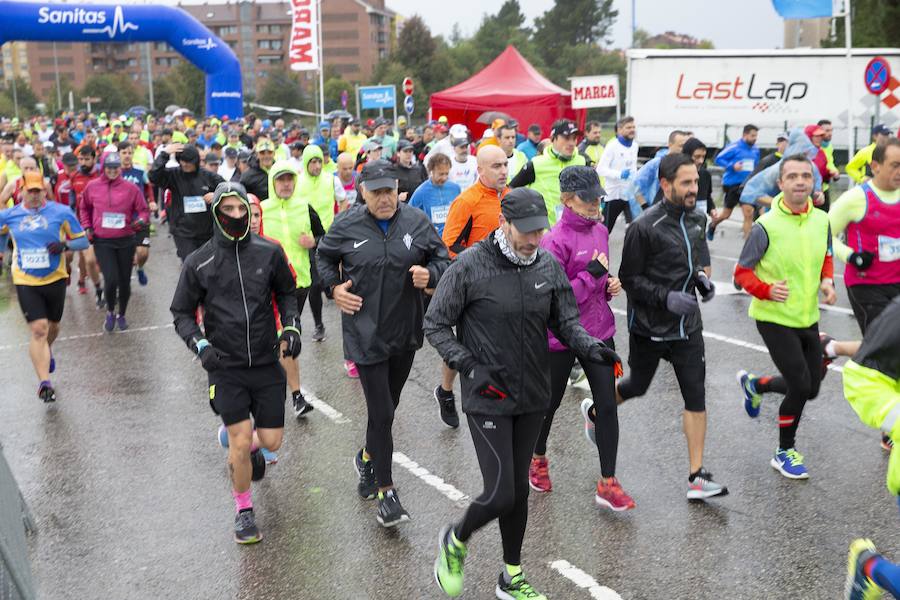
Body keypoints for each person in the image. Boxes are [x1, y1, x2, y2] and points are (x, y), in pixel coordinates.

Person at [425, 187, 621, 600]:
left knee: (516, 494)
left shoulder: (546, 267)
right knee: (501, 492)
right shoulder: (469, 268)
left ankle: (511, 575)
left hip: (532, 392)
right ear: (503, 224)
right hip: (487, 393)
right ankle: (455, 540)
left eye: (539, 231)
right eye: (526, 232)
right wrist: (470, 366)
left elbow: (566, 323)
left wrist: (592, 348)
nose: (534, 240)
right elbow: (436, 325)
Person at [316, 159, 449, 527]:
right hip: (365, 331)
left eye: (389, 191)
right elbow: (323, 258)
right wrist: (334, 287)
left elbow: (442, 257)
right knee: (383, 413)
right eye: (376, 192)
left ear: (397, 189)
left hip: (405, 331)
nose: (385, 198)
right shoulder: (346, 224)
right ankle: (387, 493)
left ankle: (366, 458)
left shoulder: (416, 222)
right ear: (363, 193)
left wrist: (431, 272)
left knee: (388, 407)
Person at [170, 182, 301, 544]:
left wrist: (291, 327)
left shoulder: (269, 252)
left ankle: (240, 441)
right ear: (217, 214)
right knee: (241, 443)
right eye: (228, 210)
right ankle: (244, 510)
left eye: (241, 209)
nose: (236, 216)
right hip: (224, 365)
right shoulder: (200, 261)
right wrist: (200, 345)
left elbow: (287, 293)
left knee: (272, 441)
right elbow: (181, 312)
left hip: (265, 362)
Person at [618, 153, 726, 500]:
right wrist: (665, 298)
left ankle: (696, 476)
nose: (694, 188)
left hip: (688, 328)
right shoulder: (643, 227)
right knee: (636, 386)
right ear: (665, 185)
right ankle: (595, 409)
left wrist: (701, 282)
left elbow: (696, 263)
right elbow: (629, 280)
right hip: (649, 327)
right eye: (686, 183)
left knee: (696, 396)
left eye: (695, 181)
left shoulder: (697, 220)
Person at [531, 165, 634, 509]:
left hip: (600, 333)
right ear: (566, 200)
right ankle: (537, 457)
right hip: (561, 337)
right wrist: (592, 277)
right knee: (550, 403)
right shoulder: (553, 241)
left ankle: (608, 482)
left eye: (597, 198)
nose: (595, 205)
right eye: (587, 199)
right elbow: (554, 299)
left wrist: (609, 285)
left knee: (608, 403)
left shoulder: (601, 231)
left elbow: (600, 277)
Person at [733, 154, 836, 479]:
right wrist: (765, 289)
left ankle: (755, 384)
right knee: (800, 385)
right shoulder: (766, 226)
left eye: (806, 176)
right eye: (792, 176)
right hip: (773, 318)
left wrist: (827, 282)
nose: (800, 181)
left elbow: (827, 256)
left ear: (813, 182)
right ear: (781, 183)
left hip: (807, 317)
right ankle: (784, 451)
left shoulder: (822, 220)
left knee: (812, 388)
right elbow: (741, 274)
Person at [829, 137, 900, 449]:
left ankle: (831, 347)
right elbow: (825, 234)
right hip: (865, 284)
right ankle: (890, 427)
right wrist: (850, 256)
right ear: (875, 166)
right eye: (895, 165)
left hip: (897, 284)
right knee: (887, 352)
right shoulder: (856, 199)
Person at [436, 146, 510, 427]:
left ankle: (499, 393)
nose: (503, 171)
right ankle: (445, 391)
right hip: (474, 282)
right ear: (479, 170)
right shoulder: (466, 201)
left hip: (507, 280)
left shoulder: (510, 196)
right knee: (466, 343)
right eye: (496, 166)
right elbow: (449, 245)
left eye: (505, 165)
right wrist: (478, 265)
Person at [0, 171, 89, 403]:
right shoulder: (10, 216)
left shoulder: (61, 212)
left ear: (44, 190)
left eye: (38, 191)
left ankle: (46, 350)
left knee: (53, 327)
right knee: (38, 329)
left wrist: (64, 245)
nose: (35, 195)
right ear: (21, 191)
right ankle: (44, 383)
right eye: (30, 191)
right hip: (25, 279)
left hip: (55, 277)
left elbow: (83, 240)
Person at [261, 159, 325, 417]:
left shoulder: (304, 207)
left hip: (299, 285)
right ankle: (290, 393)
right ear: (273, 182)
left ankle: (295, 396)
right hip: (267, 287)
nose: (286, 184)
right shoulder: (261, 210)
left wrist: (314, 241)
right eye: (281, 180)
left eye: (289, 180)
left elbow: (325, 237)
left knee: (288, 338)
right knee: (276, 340)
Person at [80, 152, 150, 332]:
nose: (112, 171)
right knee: (111, 280)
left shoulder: (131, 188)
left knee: (124, 282)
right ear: (103, 168)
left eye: (115, 167)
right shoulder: (92, 186)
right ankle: (110, 311)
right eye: (109, 168)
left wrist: (140, 221)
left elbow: (143, 210)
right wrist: (87, 226)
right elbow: (84, 208)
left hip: (126, 240)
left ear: (120, 168)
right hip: (103, 241)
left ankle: (122, 314)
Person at [149, 143, 224, 261]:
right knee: (191, 263)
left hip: (206, 231)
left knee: (207, 267)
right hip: (183, 232)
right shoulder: (173, 175)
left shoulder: (208, 176)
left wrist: (217, 194)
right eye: (182, 160)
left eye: (188, 161)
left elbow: (229, 190)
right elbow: (153, 176)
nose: (185, 164)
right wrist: (164, 154)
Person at [294, 144, 335, 342]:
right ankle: (319, 325)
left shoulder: (330, 179)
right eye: (313, 162)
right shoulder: (298, 182)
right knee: (315, 283)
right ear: (306, 163)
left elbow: (340, 201)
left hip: (330, 236)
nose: (317, 166)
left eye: (319, 161)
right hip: (310, 240)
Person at [510, 119, 586, 226]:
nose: (571, 143)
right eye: (566, 138)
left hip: (575, 228)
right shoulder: (536, 164)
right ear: (553, 138)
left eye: (574, 139)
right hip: (546, 232)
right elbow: (511, 189)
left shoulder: (582, 161)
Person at [708, 124, 761, 240]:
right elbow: (718, 159)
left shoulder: (756, 150)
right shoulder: (734, 147)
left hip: (747, 185)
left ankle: (748, 244)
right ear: (745, 135)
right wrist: (732, 165)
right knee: (726, 215)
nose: (755, 138)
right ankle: (713, 225)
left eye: (756, 136)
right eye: (752, 136)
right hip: (733, 184)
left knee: (749, 213)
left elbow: (756, 166)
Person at [118, 141, 156, 287]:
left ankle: (140, 268)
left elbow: (148, 187)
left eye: (129, 153)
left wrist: (151, 201)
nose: (127, 156)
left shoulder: (140, 171)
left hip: (140, 215)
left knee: (143, 253)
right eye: (124, 153)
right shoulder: (114, 172)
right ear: (119, 154)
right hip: (122, 218)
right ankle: (122, 282)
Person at [597, 116, 639, 232]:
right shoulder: (612, 146)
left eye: (633, 127)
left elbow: (633, 167)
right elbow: (600, 169)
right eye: (628, 127)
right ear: (620, 130)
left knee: (634, 227)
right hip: (613, 195)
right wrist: (619, 174)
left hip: (629, 194)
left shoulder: (635, 145)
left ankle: (631, 249)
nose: (632, 130)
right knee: (605, 230)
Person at [631, 129, 690, 208]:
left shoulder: (684, 164)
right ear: (670, 144)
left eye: (685, 146)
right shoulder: (655, 164)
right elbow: (635, 186)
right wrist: (645, 207)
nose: (683, 149)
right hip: (654, 209)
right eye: (680, 146)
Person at [409, 153, 461, 237]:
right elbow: (409, 215)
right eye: (441, 174)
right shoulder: (421, 192)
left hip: (453, 239)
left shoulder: (455, 189)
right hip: (432, 242)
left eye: (446, 174)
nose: (444, 178)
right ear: (431, 171)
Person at [682, 137, 714, 219]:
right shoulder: (676, 176)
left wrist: (712, 209)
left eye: (703, 157)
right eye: (697, 156)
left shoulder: (705, 174)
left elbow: (707, 196)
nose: (701, 161)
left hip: (700, 222)